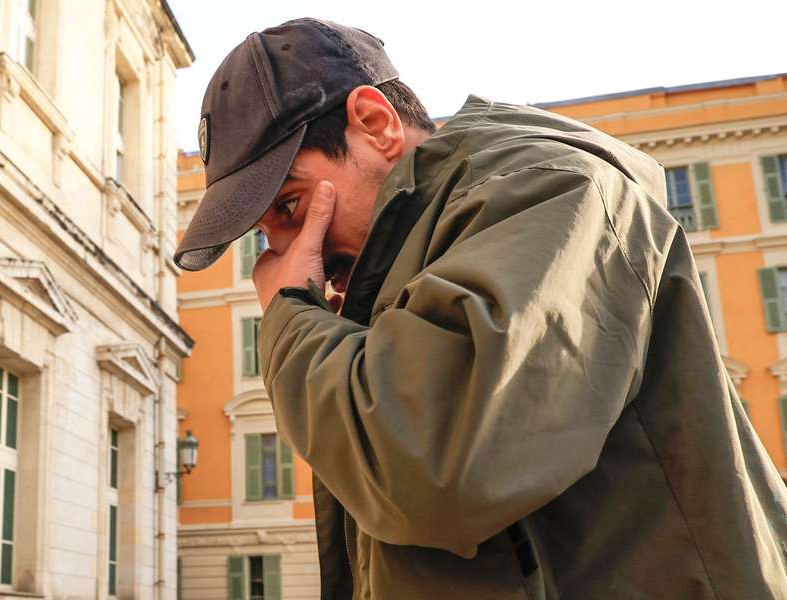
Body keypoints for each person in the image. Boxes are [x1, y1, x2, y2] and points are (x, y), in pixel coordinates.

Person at [174, 18, 787, 599]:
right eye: (265, 233)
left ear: (376, 123)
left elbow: (429, 468)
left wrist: (287, 313)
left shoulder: (552, 192)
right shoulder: (414, 260)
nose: (284, 251)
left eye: (288, 205)